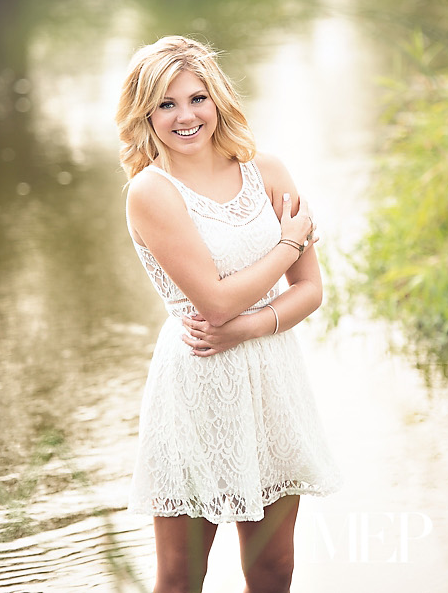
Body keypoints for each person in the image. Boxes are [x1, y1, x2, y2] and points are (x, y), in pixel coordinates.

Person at [117, 36, 341, 593]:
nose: (185, 116)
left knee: (273, 568)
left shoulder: (267, 170)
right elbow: (214, 301)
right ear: (145, 114)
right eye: (165, 104)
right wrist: (287, 244)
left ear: (217, 99)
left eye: (196, 98)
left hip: (272, 378)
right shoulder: (150, 190)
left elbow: (311, 291)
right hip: (198, 380)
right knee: (182, 575)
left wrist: (249, 326)